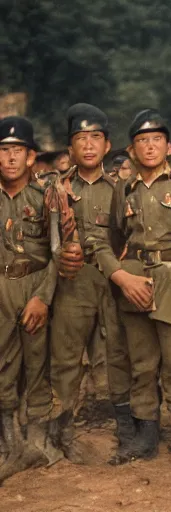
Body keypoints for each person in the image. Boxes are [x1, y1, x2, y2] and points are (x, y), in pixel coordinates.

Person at [93, 109, 171, 472]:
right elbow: (116, 236)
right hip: (135, 282)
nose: (149, 147)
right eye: (142, 141)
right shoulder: (125, 188)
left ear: (167, 147)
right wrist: (123, 275)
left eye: (156, 140)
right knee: (142, 363)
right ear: (132, 150)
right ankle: (146, 436)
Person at [45, 104, 131, 464]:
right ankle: (61, 431)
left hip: (110, 282)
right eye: (81, 139)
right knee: (65, 360)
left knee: (114, 357)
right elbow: (48, 241)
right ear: (70, 150)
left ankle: (124, 433)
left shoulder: (121, 189)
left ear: (107, 145)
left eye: (96, 137)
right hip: (72, 283)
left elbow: (128, 237)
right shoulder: (58, 188)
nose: (90, 145)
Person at [0, 116, 57, 480]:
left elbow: (59, 251)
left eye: (16, 150)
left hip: (36, 284)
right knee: (3, 366)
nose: (9, 158)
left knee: (38, 366)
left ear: (31, 157)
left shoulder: (45, 197)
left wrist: (44, 298)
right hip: (1, 287)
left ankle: (37, 444)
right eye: (3, 151)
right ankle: (10, 443)